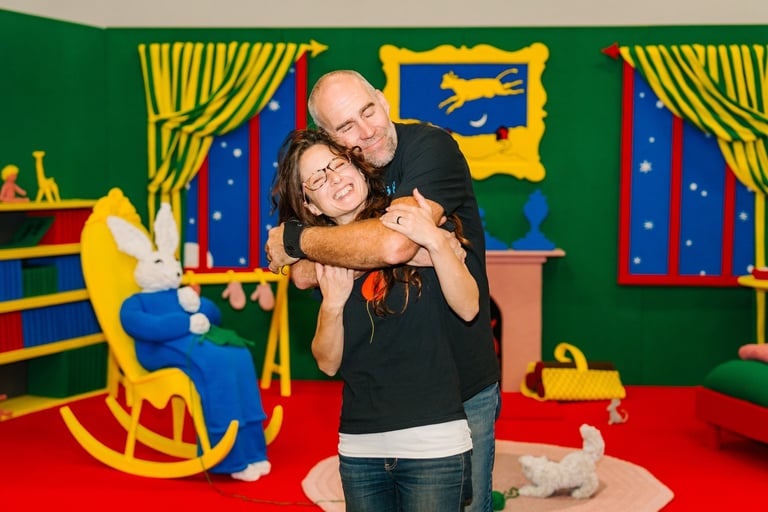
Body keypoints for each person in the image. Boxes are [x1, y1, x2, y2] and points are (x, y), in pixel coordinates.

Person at [265, 70, 501, 512]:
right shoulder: (348, 181)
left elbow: (394, 243)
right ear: (331, 139)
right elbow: (300, 277)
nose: (366, 131)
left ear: (383, 99)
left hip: (462, 384)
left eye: (367, 110)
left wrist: (297, 241)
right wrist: (399, 249)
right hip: (372, 416)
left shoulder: (430, 148)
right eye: (346, 127)